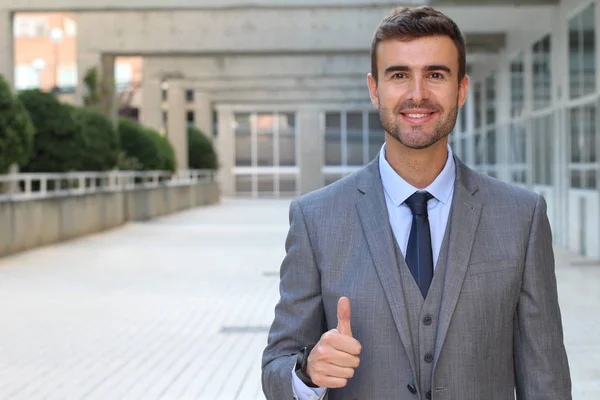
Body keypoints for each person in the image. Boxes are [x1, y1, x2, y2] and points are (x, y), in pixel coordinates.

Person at [261, 5, 572, 400]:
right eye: (399, 75)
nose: (417, 93)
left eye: (436, 74)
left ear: (461, 88)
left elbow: (546, 379)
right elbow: (276, 367)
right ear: (375, 89)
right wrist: (307, 371)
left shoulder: (521, 217)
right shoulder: (316, 218)